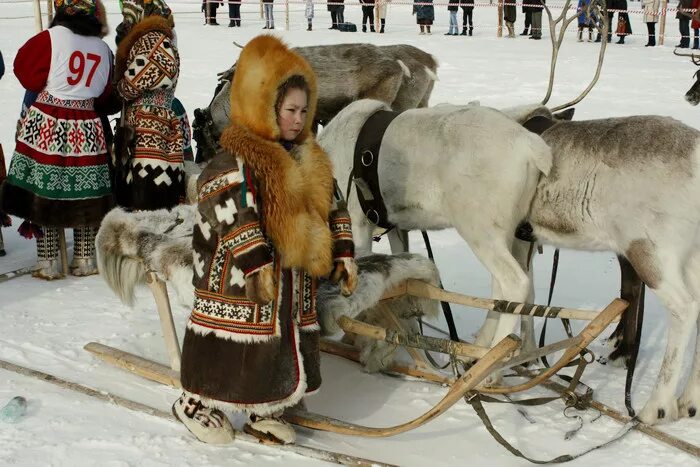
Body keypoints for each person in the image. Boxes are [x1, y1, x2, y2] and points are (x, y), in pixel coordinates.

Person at [173, 35, 357, 445]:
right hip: (238, 281)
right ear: (265, 107)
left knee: (277, 343)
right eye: (290, 110)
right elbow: (234, 217)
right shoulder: (233, 161)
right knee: (231, 346)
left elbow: (334, 206)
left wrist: (343, 250)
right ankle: (195, 401)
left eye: (304, 111)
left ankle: (263, 409)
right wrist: (256, 264)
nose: (298, 119)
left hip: (291, 281)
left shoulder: (309, 157)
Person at [0, 0, 114, 279]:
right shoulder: (103, 49)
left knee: (43, 189)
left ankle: (48, 262)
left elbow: (25, 72)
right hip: (87, 125)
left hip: (48, 122)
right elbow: (107, 96)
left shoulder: (50, 38)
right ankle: (85, 259)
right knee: (86, 192)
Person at [114, 0, 186, 211]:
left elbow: (160, 65)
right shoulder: (156, 38)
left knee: (148, 195)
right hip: (150, 123)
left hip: (150, 127)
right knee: (147, 193)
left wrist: (122, 89)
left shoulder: (153, 37)